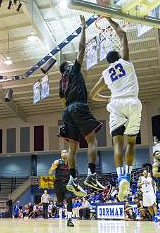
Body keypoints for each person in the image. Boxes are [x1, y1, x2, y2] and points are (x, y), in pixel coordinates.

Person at [89, 17, 141, 202]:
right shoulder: (126, 61)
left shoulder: (105, 74)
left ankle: (120, 178)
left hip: (116, 104)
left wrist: (107, 97)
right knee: (132, 143)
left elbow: (93, 95)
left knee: (118, 144)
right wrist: (109, 18)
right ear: (118, 56)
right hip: (133, 103)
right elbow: (122, 34)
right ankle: (127, 174)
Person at [58, 15, 104, 196]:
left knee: (73, 148)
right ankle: (91, 174)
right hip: (78, 107)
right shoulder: (73, 70)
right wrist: (84, 28)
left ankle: (72, 179)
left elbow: (62, 100)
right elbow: (82, 48)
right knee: (92, 140)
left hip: (67, 112)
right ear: (68, 66)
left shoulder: (61, 82)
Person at [48, 149, 75, 227]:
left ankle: (69, 220)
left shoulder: (70, 162)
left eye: (66, 152)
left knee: (69, 199)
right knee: (60, 201)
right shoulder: (57, 162)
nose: (65, 153)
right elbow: (50, 172)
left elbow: (73, 173)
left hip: (67, 184)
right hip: (58, 184)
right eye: (63, 152)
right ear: (61, 154)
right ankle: (56, 205)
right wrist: (52, 168)